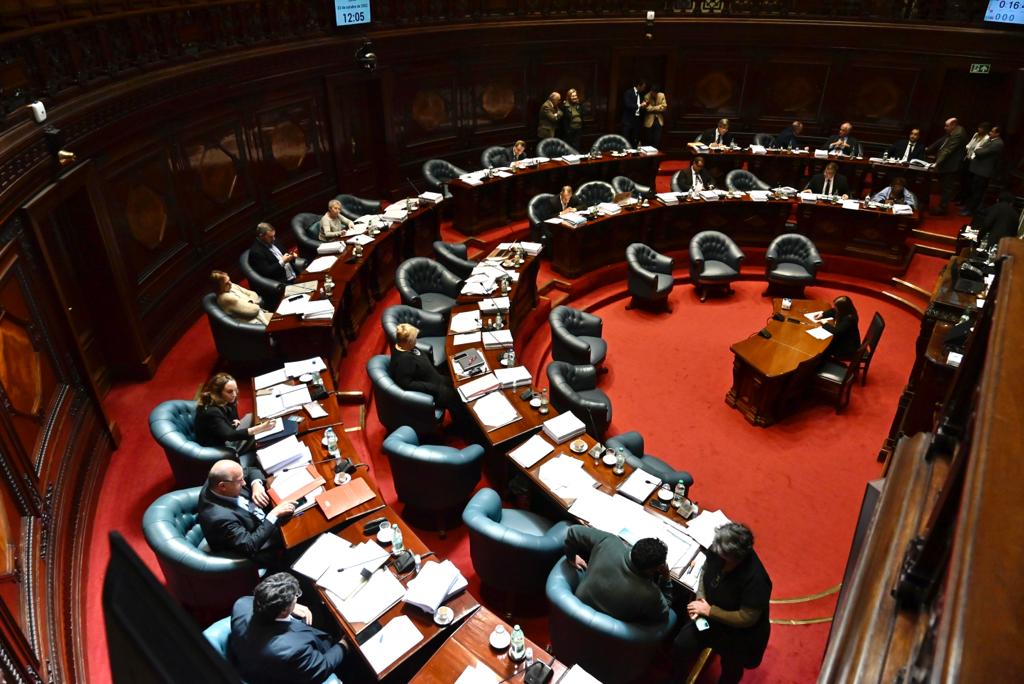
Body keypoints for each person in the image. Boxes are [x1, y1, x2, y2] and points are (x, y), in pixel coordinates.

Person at [670, 523, 771, 684]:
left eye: (722, 555)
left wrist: (710, 611)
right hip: (708, 619)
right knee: (682, 644)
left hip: (737, 634)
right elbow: (705, 571)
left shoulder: (757, 579)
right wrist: (700, 599)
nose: (715, 553)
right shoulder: (718, 548)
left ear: (735, 557)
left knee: (731, 669)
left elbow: (747, 617)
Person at [230, 572, 346, 684]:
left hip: (253, 656)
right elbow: (323, 666)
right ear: (284, 610)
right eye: (296, 596)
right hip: (279, 672)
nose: (297, 597)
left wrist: (290, 607)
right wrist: (344, 644)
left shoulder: (241, 604)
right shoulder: (294, 649)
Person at [563, 525, 671, 623]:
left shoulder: (609, 541)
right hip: (606, 629)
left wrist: (571, 558)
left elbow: (573, 531)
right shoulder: (651, 594)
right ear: (653, 569)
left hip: (577, 606)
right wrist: (666, 578)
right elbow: (664, 615)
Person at [198, 460, 296, 565]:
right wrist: (273, 515)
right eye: (240, 481)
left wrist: (256, 485)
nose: (244, 483)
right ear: (222, 486)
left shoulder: (219, 478)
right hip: (261, 547)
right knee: (302, 533)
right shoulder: (220, 519)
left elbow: (250, 470)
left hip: (264, 515)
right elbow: (249, 545)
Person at [389, 323, 467, 430]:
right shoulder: (404, 360)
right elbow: (407, 384)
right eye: (414, 339)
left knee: (457, 384)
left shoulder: (404, 346)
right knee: (455, 399)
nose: (416, 340)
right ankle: (462, 427)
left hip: (435, 379)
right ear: (408, 342)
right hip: (431, 390)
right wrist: (431, 388)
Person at [195, 372, 275, 449]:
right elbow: (230, 435)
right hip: (220, 446)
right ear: (218, 393)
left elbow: (234, 418)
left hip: (225, 432)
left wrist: (234, 422)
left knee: (251, 416)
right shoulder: (212, 411)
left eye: (235, 390)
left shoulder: (226, 399)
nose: (234, 394)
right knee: (258, 434)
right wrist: (261, 428)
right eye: (230, 391)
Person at [926, 117, 968, 216]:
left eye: (947, 126)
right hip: (947, 164)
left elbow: (947, 150)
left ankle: (942, 209)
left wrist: (937, 163)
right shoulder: (953, 131)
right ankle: (941, 206)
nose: (945, 128)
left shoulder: (958, 134)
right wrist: (928, 149)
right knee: (944, 187)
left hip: (952, 165)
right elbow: (942, 141)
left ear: (953, 125)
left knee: (947, 188)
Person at [964, 125, 1004, 216]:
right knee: (973, 190)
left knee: (977, 193)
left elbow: (980, 152)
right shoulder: (990, 140)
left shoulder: (998, 143)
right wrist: (979, 149)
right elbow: (978, 149)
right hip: (978, 170)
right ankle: (968, 207)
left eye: (992, 131)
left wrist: (978, 150)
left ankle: (971, 210)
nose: (990, 133)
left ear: (998, 134)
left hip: (983, 172)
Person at [815, 295, 861, 360]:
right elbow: (833, 311)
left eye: (836, 307)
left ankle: (821, 362)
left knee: (824, 347)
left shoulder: (850, 319)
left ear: (842, 309)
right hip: (842, 338)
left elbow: (837, 332)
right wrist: (822, 314)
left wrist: (824, 324)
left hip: (847, 346)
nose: (835, 308)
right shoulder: (846, 311)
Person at [956, 122, 991, 204]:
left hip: (974, 161)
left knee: (969, 182)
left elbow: (979, 149)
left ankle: (964, 200)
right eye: (979, 127)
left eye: (981, 128)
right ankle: (959, 196)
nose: (979, 129)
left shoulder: (987, 138)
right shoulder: (976, 134)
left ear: (986, 130)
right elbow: (969, 145)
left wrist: (972, 154)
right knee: (962, 179)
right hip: (967, 158)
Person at [621, 79, 647, 147]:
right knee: (625, 140)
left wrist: (643, 107)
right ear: (638, 86)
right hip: (628, 120)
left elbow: (641, 107)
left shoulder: (641, 95)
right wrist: (640, 105)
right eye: (643, 87)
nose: (644, 89)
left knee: (634, 140)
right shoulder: (628, 92)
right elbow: (627, 105)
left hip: (637, 120)